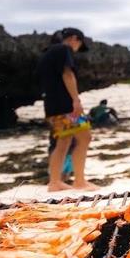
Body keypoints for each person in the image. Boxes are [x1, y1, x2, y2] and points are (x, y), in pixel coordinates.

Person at [36, 27, 99, 191]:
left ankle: (56, 181)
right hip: (65, 105)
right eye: (79, 44)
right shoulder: (65, 49)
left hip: (52, 105)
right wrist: (76, 100)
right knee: (85, 137)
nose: (77, 49)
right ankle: (77, 181)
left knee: (64, 141)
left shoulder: (47, 53)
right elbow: (67, 74)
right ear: (74, 39)